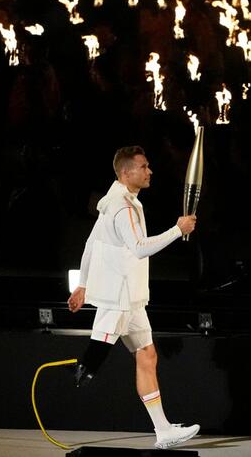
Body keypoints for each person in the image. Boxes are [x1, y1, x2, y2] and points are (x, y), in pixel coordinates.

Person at [67, 145, 200, 450]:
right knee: (96, 355)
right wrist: (177, 230)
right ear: (126, 172)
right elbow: (140, 247)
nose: (149, 171)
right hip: (120, 294)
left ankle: (163, 430)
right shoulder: (122, 207)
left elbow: (91, 244)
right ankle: (82, 368)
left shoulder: (117, 200)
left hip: (132, 296)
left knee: (147, 355)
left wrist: (83, 285)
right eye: (143, 166)